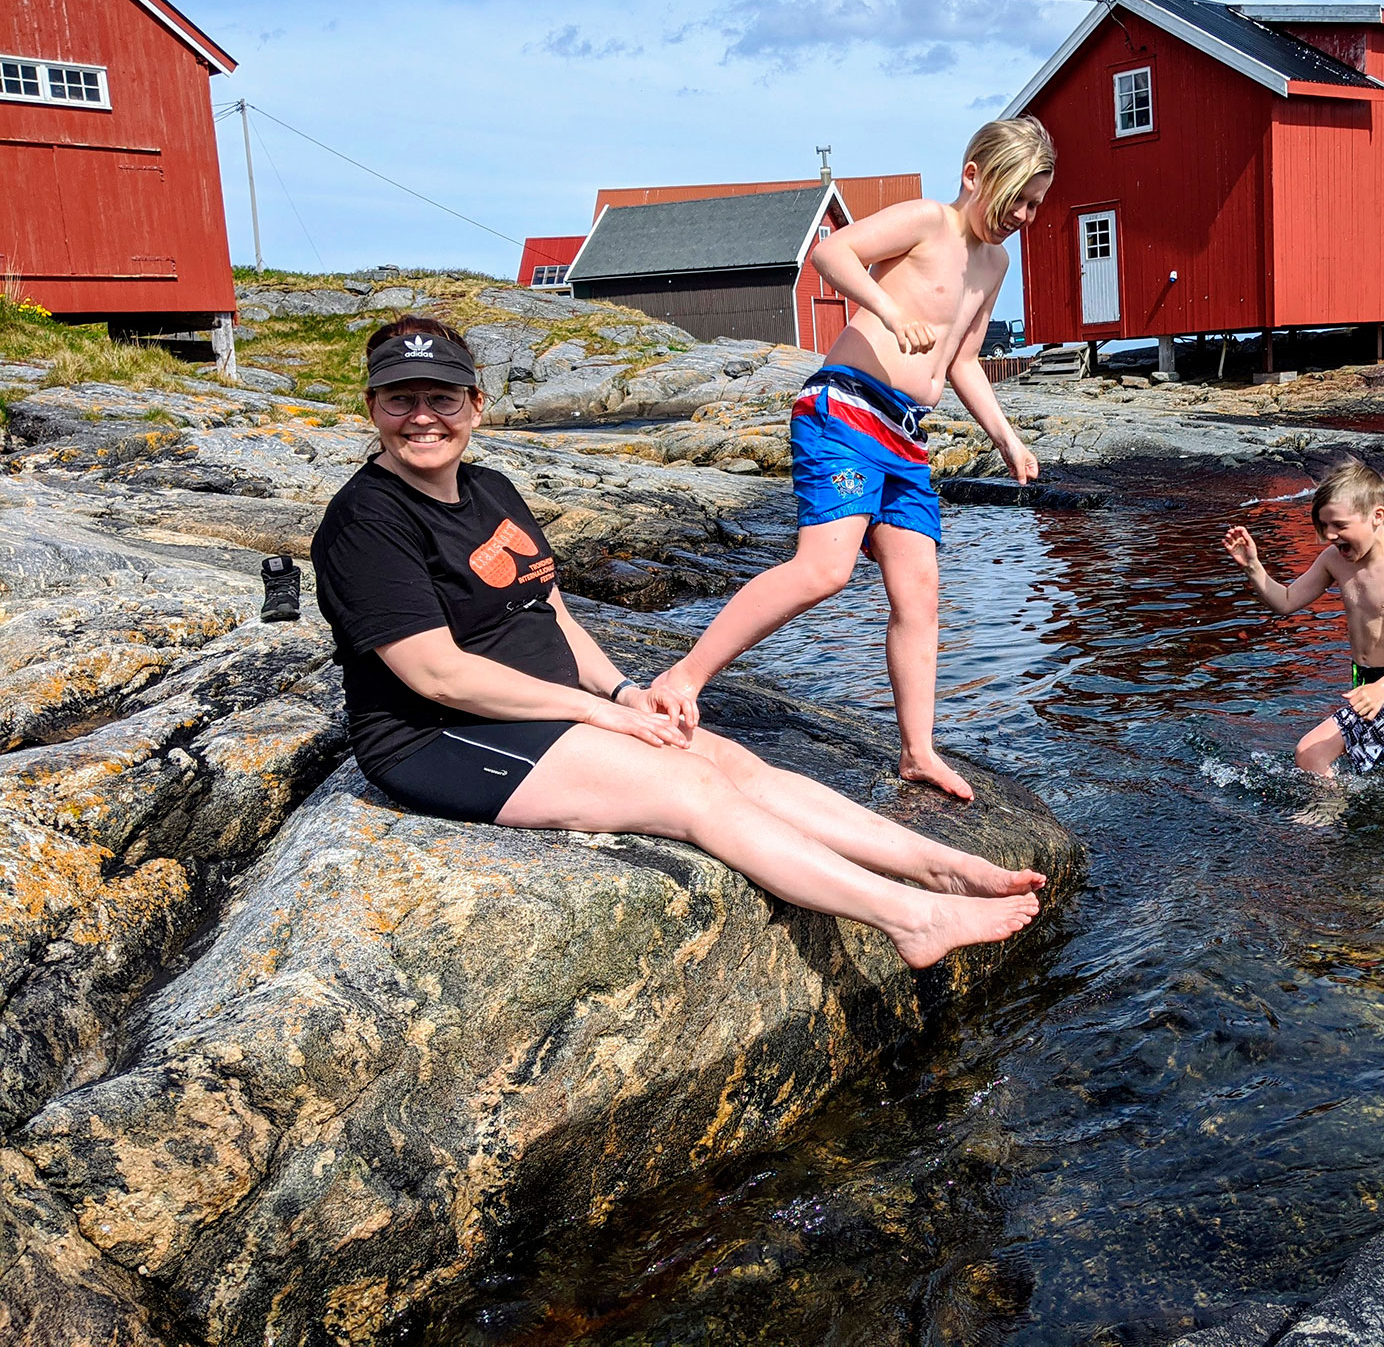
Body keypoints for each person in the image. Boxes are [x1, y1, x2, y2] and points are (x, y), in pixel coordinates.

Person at [309, 317, 1042, 969]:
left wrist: (626, 693)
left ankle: (937, 866)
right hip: (443, 736)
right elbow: (437, 676)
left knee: (731, 761)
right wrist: (599, 715)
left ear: (475, 405)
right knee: (690, 789)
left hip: (546, 711)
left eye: (441, 397)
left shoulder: (492, 487)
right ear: (372, 408)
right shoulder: (366, 522)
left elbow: (552, 613)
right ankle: (914, 919)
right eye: (400, 399)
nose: (422, 418)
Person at [651, 118, 1057, 802]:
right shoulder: (928, 221)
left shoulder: (994, 264)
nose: (1023, 216)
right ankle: (681, 678)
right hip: (844, 407)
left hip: (906, 435)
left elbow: (961, 359)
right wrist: (888, 311)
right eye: (1017, 198)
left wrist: (1006, 437)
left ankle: (918, 752)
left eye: (1036, 205)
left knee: (920, 595)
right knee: (825, 570)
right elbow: (832, 255)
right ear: (974, 176)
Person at [1222, 460, 1384, 776]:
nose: (1329, 536)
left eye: (1339, 525)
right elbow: (1285, 601)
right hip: (1364, 681)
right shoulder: (1333, 561)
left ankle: (1326, 819)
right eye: (1323, 526)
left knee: (1311, 754)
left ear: (1377, 516)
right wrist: (1253, 567)